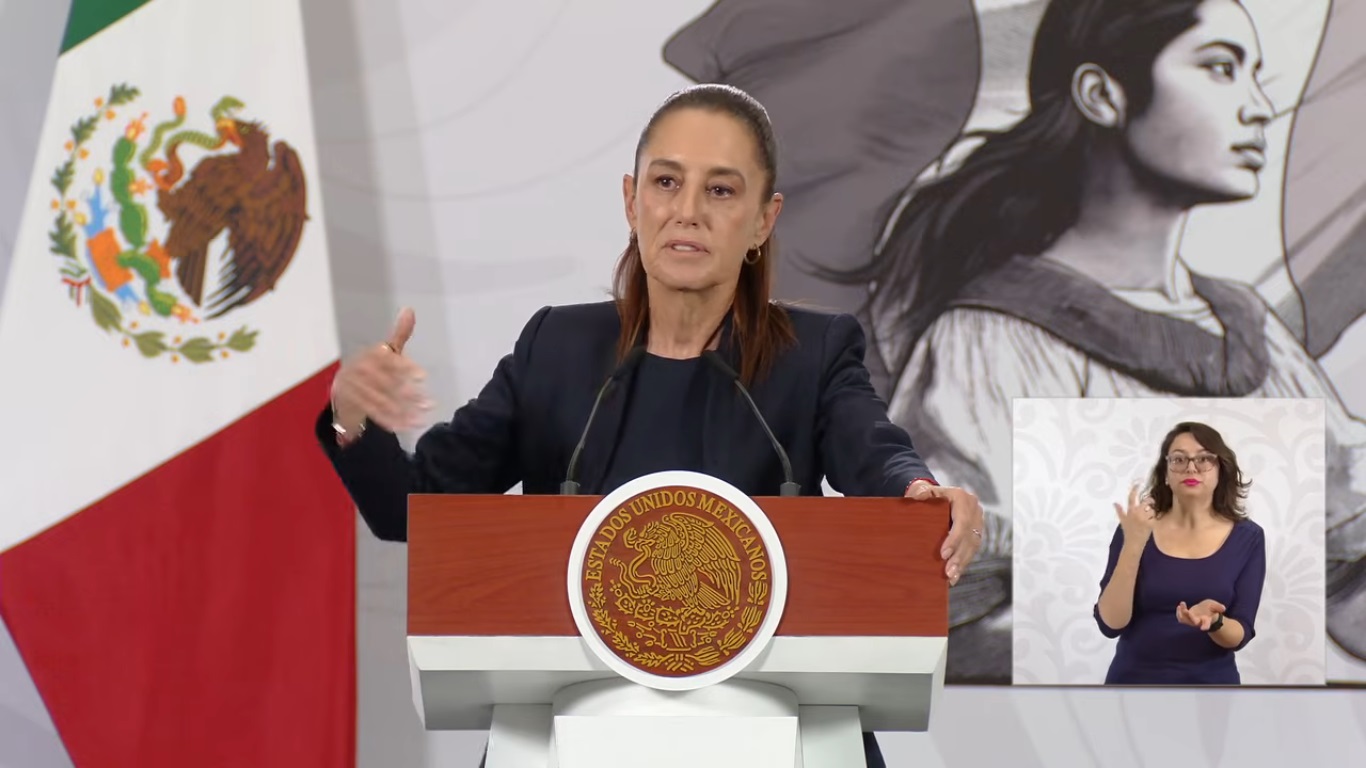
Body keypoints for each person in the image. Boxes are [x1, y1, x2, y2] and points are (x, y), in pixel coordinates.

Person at [316, 83, 986, 768]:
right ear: (632, 200)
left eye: (720, 190)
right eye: (667, 182)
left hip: (777, 730)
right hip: (566, 732)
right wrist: (352, 419)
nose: (687, 211)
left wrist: (918, 492)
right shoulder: (556, 347)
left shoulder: (812, 353)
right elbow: (414, 507)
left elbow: (873, 452)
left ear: (764, 220)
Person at [835, 0, 1366, 675]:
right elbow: (943, 607)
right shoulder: (992, 339)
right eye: (1220, 68)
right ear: (1102, 94)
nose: (1260, 108)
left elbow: (1343, 585)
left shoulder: (1253, 330)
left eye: (1255, 75)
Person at [1093, 422, 1266, 684]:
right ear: (1165, 473)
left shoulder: (1248, 537)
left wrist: (1214, 621)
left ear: (1221, 470)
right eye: (1179, 459)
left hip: (1212, 689)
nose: (1191, 468)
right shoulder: (1137, 527)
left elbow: (1240, 633)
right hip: (1132, 684)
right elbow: (1110, 624)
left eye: (1204, 459)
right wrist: (1134, 543)